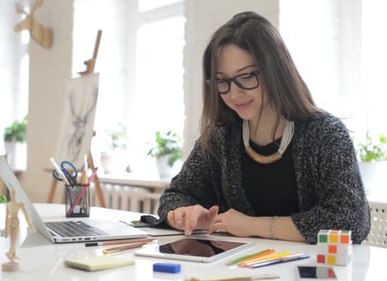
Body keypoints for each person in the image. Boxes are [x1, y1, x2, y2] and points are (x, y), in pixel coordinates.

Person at [155, 11, 370, 244]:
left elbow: (351, 221)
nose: (235, 93)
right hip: (243, 271)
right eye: (222, 80)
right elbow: (174, 196)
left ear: (274, 71)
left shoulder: (324, 133)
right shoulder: (223, 135)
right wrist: (184, 212)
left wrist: (252, 225)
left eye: (246, 76)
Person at [4, 188, 35, 262]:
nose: (13, 195)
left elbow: (26, 214)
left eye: (14, 193)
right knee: (14, 239)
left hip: (13, 221)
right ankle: (10, 252)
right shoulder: (11, 204)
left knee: (14, 238)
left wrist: (30, 225)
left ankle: (13, 254)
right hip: (13, 221)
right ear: (10, 195)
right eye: (12, 193)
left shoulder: (17, 204)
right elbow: (7, 217)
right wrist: (6, 229)